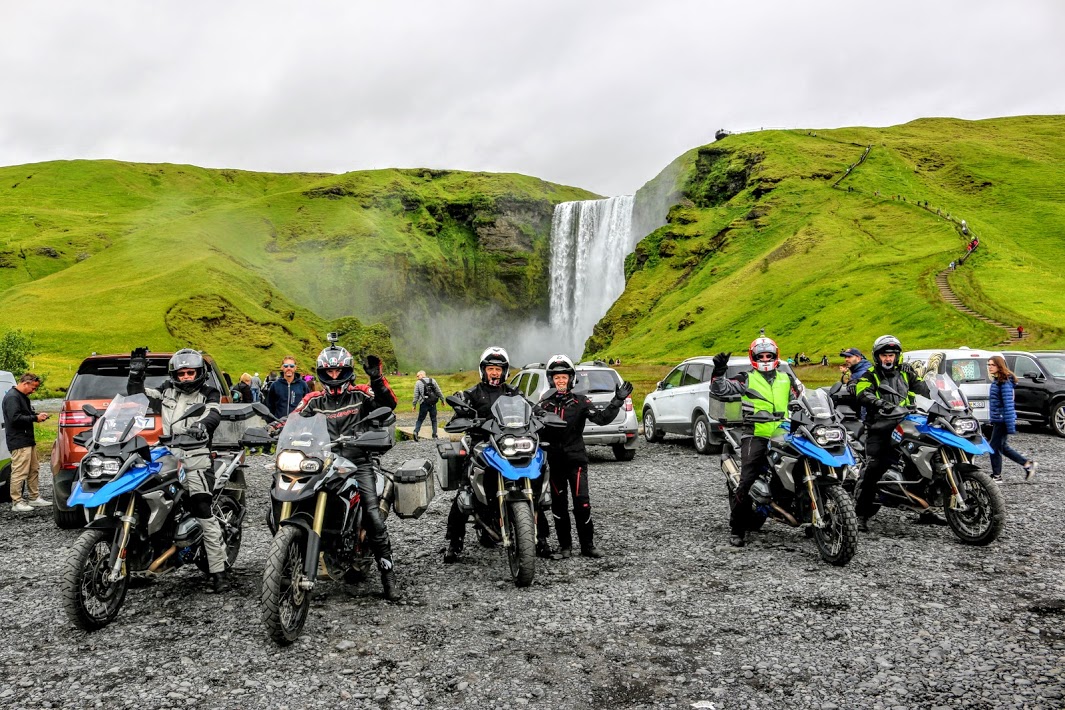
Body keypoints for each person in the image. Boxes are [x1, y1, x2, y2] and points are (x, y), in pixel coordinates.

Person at [289, 346, 401, 600]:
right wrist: (275, 429)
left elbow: (388, 404)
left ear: (348, 371)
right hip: (322, 461)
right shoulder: (313, 399)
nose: (334, 373)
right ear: (321, 372)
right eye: (329, 369)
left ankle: (388, 574)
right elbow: (292, 419)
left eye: (338, 368)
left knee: (373, 516)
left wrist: (377, 378)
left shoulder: (360, 393)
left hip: (358, 460)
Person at [127, 349, 230, 591]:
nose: (185, 376)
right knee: (142, 496)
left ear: (198, 373)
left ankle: (219, 571)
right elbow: (137, 396)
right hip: (168, 453)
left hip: (197, 456)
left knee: (202, 507)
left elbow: (213, 413)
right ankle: (141, 560)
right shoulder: (165, 390)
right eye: (181, 373)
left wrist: (202, 426)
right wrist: (135, 375)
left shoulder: (208, 392)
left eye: (190, 372)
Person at [443, 347, 551, 562]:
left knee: (534, 486)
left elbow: (530, 409)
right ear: (483, 370)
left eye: (499, 369)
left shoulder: (514, 393)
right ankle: (454, 543)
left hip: (510, 444)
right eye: (491, 368)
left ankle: (540, 540)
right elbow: (456, 416)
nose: (495, 373)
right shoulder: (471, 393)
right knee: (464, 494)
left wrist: (542, 414)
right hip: (482, 445)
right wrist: (463, 415)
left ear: (505, 371)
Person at [537, 354, 632, 559]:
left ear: (571, 379)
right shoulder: (544, 404)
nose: (560, 381)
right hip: (554, 461)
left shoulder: (581, 401)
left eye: (564, 377)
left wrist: (617, 400)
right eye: (557, 378)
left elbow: (601, 419)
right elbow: (533, 428)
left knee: (582, 503)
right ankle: (565, 547)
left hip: (576, 460)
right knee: (558, 505)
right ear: (551, 379)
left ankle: (587, 546)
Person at [710, 338, 801, 547]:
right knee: (748, 478)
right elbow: (721, 389)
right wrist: (719, 371)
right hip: (755, 433)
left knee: (804, 465)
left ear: (776, 356)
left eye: (769, 356)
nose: (766, 359)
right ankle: (737, 528)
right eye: (761, 356)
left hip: (783, 432)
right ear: (754, 358)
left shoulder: (787, 378)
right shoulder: (746, 379)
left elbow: (803, 398)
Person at [853, 335, 931, 532]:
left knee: (922, 460)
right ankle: (861, 514)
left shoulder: (906, 373)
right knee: (875, 466)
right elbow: (862, 392)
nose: (888, 359)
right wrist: (880, 403)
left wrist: (915, 374)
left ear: (898, 356)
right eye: (884, 355)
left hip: (907, 424)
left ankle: (925, 509)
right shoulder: (870, 374)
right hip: (880, 427)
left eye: (892, 355)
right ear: (877, 357)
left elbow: (926, 392)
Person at [3, 373, 51, 511]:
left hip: (28, 439)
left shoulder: (22, 397)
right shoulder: (12, 397)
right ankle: (17, 502)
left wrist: (35, 415)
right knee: (19, 471)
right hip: (18, 440)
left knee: (33, 469)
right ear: (26, 383)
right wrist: (35, 418)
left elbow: (24, 414)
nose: (33, 391)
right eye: (33, 387)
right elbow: (15, 418)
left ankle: (34, 497)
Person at [987, 356, 1037, 481]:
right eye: (988, 365)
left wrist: (1010, 425)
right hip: (999, 419)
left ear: (999, 366)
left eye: (992, 365)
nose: (989, 367)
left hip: (1002, 419)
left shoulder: (1004, 382)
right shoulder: (998, 380)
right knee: (1001, 447)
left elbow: (1008, 404)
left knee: (993, 447)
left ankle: (997, 476)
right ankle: (1027, 464)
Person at [264, 355, 311, 420]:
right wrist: (272, 423)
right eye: (286, 366)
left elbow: (308, 405)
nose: (289, 368)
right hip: (279, 425)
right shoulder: (275, 385)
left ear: (295, 368)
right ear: (282, 367)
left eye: (291, 366)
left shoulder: (303, 385)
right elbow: (269, 406)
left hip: (297, 424)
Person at [838, 347, 873, 419]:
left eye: (849, 357)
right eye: (845, 357)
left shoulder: (865, 372)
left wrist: (863, 421)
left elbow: (866, 397)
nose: (846, 359)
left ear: (858, 358)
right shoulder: (857, 371)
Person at [411, 370, 445, 441]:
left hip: (423, 403)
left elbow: (416, 395)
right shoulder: (433, 380)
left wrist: (414, 405)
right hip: (433, 403)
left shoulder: (418, 383)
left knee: (420, 419)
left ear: (422, 375)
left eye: (418, 376)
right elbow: (438, 391)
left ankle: (416, 432)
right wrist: (442, 400)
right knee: (434, 419)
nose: (417, 377)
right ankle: (434, 434)